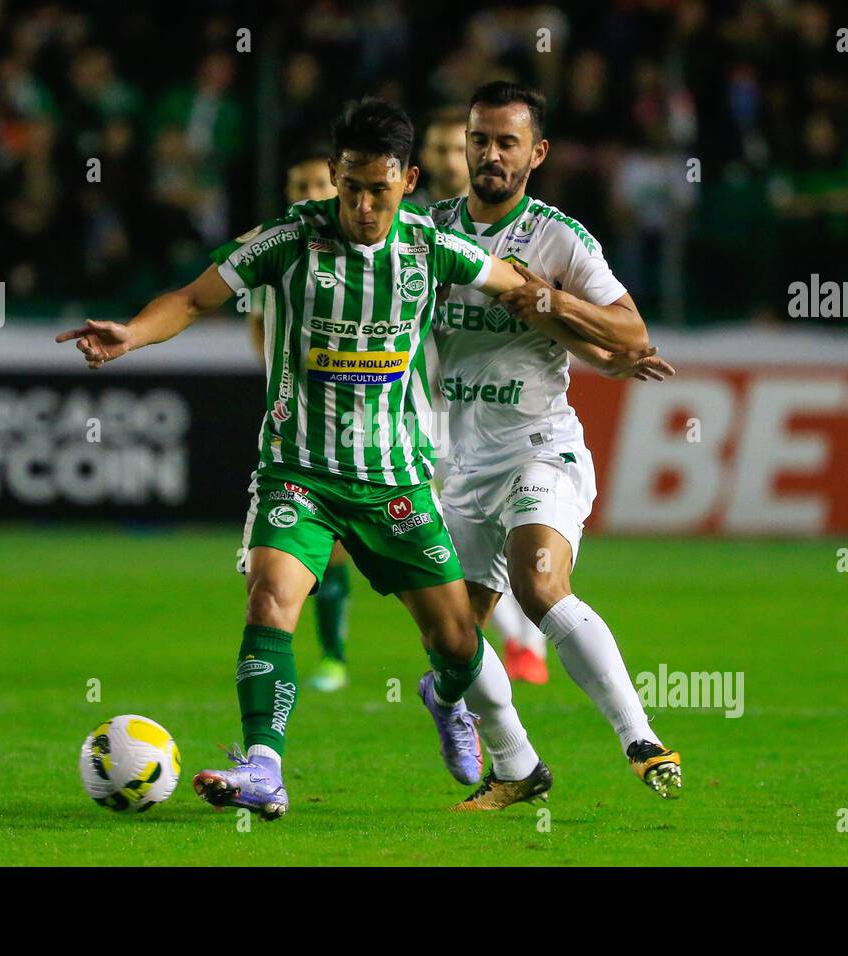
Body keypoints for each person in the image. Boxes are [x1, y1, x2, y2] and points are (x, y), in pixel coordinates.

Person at [56, 98, 644, 819]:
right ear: (335, 177)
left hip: (394, 480)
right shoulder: (287, 239)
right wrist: (132, 335)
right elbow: (192, 297)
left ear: (409, 180)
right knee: (270, 599)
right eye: (351, 187)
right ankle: (264, 766)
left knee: (459, 641)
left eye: (380, 189)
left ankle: (492, 737)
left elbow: (528, 293)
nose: (364, 205)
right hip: (297, 470)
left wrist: (611, 345)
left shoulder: (434, 248)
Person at [428, 81, 682, 804]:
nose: (490, 154)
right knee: (452, 642)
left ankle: (641, 739)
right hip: (463, 464)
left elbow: (631, 331)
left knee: (540, 586)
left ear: (536, 154)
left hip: (541, 447)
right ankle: (516, 768)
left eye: (507, 142)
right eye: (479, 139)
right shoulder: (429, 233)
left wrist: (549, 299)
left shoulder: (559, 237)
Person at [245, 147, 353, 693]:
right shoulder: (277, 254)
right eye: (298, 185)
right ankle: (332, 657)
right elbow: (259, 326)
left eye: (318, 184)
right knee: (309, 555)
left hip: (382, 431)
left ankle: (471, 666)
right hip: (302, 432)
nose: (308, 195)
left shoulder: (370, 258)